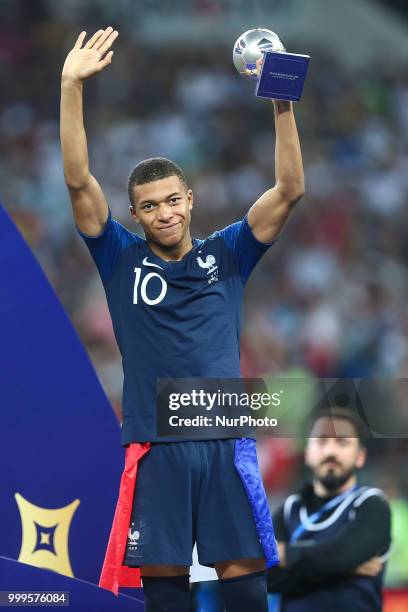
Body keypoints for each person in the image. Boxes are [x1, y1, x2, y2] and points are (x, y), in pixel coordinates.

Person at [60, 27, 305, 612]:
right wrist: (70, 86)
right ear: (135, 214)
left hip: (225, 439)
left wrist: (281, 103)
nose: (163, 212)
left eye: (173, 199)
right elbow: (77, 181)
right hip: (157, 444)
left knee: (245, 587)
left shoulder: (228, 253)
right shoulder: (120, 257)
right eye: (149, 205)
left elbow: (290, 189)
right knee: (166, 592)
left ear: (190, 199)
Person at [267, 408, 392, 612]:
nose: (330, 451)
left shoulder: (372, 504)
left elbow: (339, 557)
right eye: (321, 441)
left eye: (342, 442)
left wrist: (284, 553)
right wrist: (347, 569)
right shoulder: (289, 510)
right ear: (307, 453)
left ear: (360, 457)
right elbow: (266, 579)